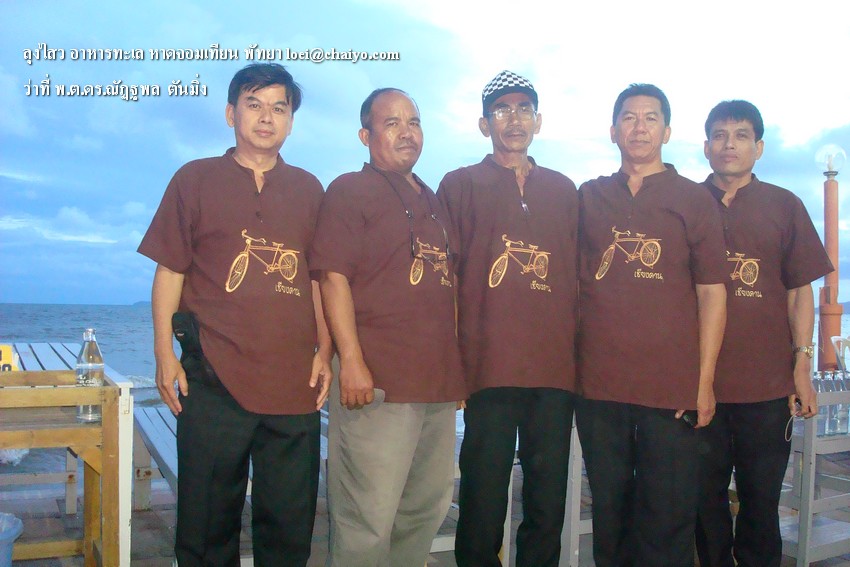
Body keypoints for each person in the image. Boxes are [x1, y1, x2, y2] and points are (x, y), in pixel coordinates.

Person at [137, 63, 332, 567]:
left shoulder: (310, 189)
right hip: (212, 380)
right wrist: (164, 354)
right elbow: (170, 270)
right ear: (231, 114)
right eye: (254, 104)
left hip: (293, 385)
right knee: (206, 528)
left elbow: (318, 279)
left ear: (291, 121)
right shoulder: (194, 179)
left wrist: (326, 351)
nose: (267, 117)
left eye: (279, 108)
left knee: (289, 527)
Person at [310, 88, 467, 567]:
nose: (406, 132)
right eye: (392, 123)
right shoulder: (349, 190)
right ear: (366, 135)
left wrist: (457, 374)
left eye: (413, 122)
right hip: (376, 386)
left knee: (425, 508)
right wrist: (352, 360)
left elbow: (448, 286)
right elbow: (332, 278)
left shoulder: (433, 200)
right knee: (367, 518)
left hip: (436, 386)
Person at [575, 83, 728, 567]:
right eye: (629, 117)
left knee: (669, 517)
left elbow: (712, 293)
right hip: (599, 388)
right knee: (611, 516)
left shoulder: (693, 199)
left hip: (671, 390)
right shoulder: (589, 196)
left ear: (666, 130)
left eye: (650, 118)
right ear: (613, 130)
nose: (639, 127)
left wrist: (704, 381)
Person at [437, 70, 578, 567]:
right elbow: (445, 277)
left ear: (538, 121)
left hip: (554, 371)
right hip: (488, 367)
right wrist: (454, 363)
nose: (514, 119)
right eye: (501, 110)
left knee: (547, 497)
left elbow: (579, 278)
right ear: (484, 124)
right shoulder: (459, 185)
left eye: (523, 109)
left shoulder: (564, 190)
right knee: (482, 494)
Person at [694, 100, 833, 567]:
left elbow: (799, 293)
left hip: (767, 388)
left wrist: (802, 367)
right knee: (703, 502)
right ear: (706, 145)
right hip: (697, 386)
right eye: (719, 135)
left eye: (741, 135)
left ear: (759, 146)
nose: (729, 144)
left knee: (761, 503)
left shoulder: (784, 205)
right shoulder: (687, 204)